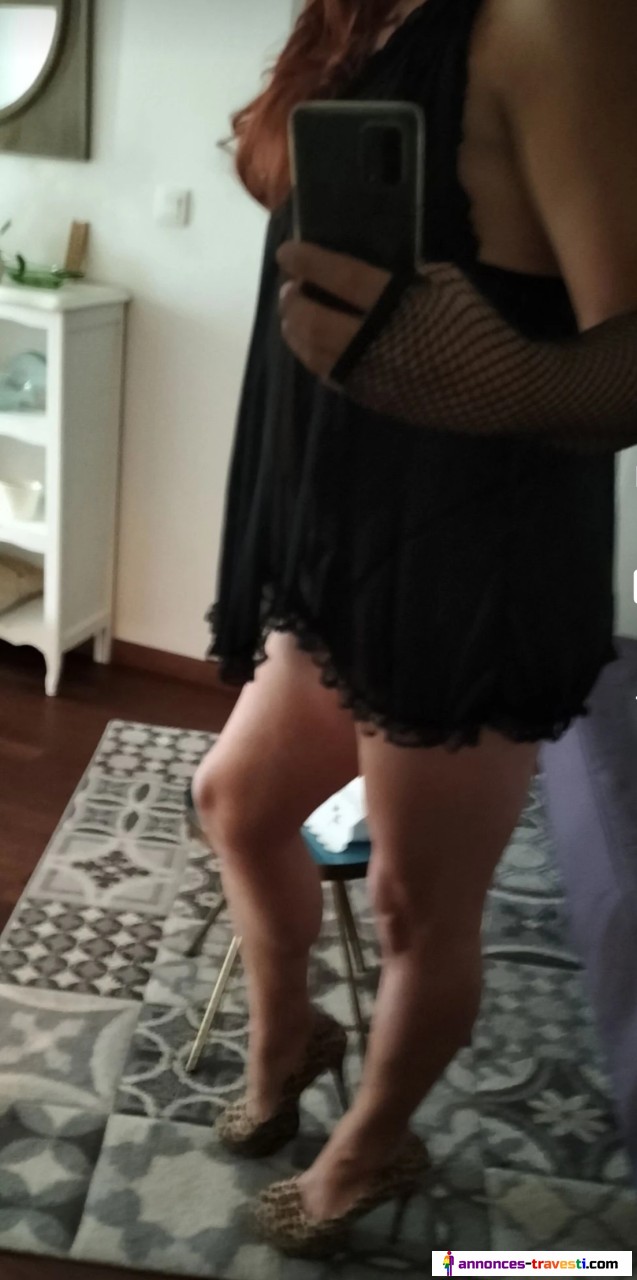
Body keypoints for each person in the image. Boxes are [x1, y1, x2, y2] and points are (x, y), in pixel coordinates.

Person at [192, 0, 637, 1259]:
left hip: (473, 557)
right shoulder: (355, 12)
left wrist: (496, 373)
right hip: (343, 527)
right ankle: (293, 1035)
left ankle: (370, 1145)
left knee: (412, 906)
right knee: (236, 801)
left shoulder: (557, 18)